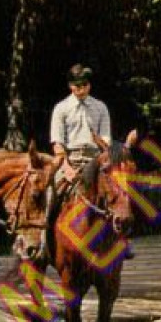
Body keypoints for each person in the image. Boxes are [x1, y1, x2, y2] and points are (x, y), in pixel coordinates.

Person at [48, 63, 133, 260]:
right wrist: (67, 168)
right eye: (77, 86)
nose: (81, 89)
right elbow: (57, 143)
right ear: (71, 86)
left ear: (89, 85)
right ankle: (44, 241)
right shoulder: (61, 108)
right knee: (49, 192)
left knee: (119, 190)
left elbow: (106, 141)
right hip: (70, 159)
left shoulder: (100, 107)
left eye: (85, 85)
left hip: (96, 159)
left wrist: (102, 150)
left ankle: (122, 240)